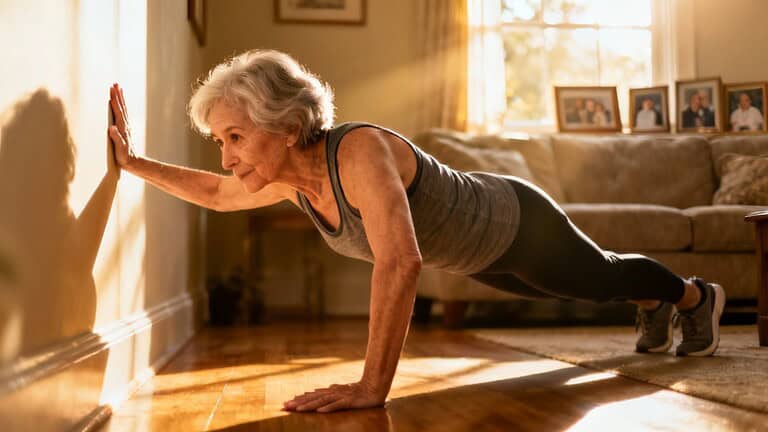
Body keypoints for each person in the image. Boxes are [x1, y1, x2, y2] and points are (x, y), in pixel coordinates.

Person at [107, 50, 726, 413]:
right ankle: (651, 301)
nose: (227, 158)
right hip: (473, 257)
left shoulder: (358, 154)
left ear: (286, 125)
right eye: (221, 141)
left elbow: (399, 262)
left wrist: (371, 387)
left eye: (235, 138)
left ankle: (695, 296)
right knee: (585, 290)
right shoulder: (288, 174)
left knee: (600, 278)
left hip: (515, 222)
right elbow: (215, 194)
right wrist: (133, 164)